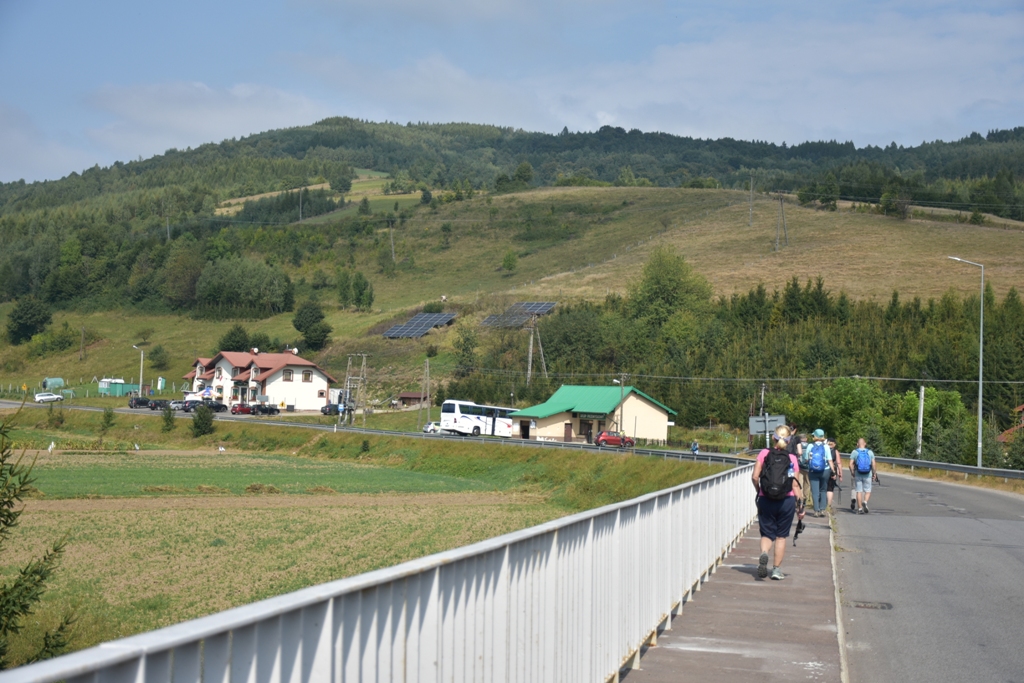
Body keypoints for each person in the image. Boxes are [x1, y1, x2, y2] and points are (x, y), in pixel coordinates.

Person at [751, 425, 803, 580]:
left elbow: (755, 476)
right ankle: (776, 570)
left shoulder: (764, 453)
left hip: (766, 498)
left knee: (767, 534)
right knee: (781, 536)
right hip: (786, 500)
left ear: (773, 438)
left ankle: (764, 553)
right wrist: (800, 506)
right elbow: (795, 485)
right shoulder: (792, 458)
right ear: (789, 440)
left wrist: (759, 490)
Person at [804, 429, 833, 516]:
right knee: (823, 490)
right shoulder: (826, 446)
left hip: (813, 471)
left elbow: (806, 459)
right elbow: (830, 460)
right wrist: (833, 471)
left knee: (815, 491)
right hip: (825, 470)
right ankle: (822, 509)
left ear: (815, 436)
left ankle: (816, 511)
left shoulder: (810, 446)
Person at [849, 438, 877, 513]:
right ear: (865, 444)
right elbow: (873, 464)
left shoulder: (855, 452)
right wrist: (874, 473)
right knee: (868, 491)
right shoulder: (870, 452)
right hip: (868, 474)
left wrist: (852, 472)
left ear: (857, 444)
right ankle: (865, 501)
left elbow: (850, 464)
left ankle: (860, 509)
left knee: (859, 491)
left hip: (858, 474)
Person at [826, 440, 843, 512]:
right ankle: (828, 506)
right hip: (832, 471)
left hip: (822, 470)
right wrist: (840, 473)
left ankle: (821, 504)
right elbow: (838, 463)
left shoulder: (823, 448)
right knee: (830, 489)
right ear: (834, 444)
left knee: (822, 488)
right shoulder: (835, 451)